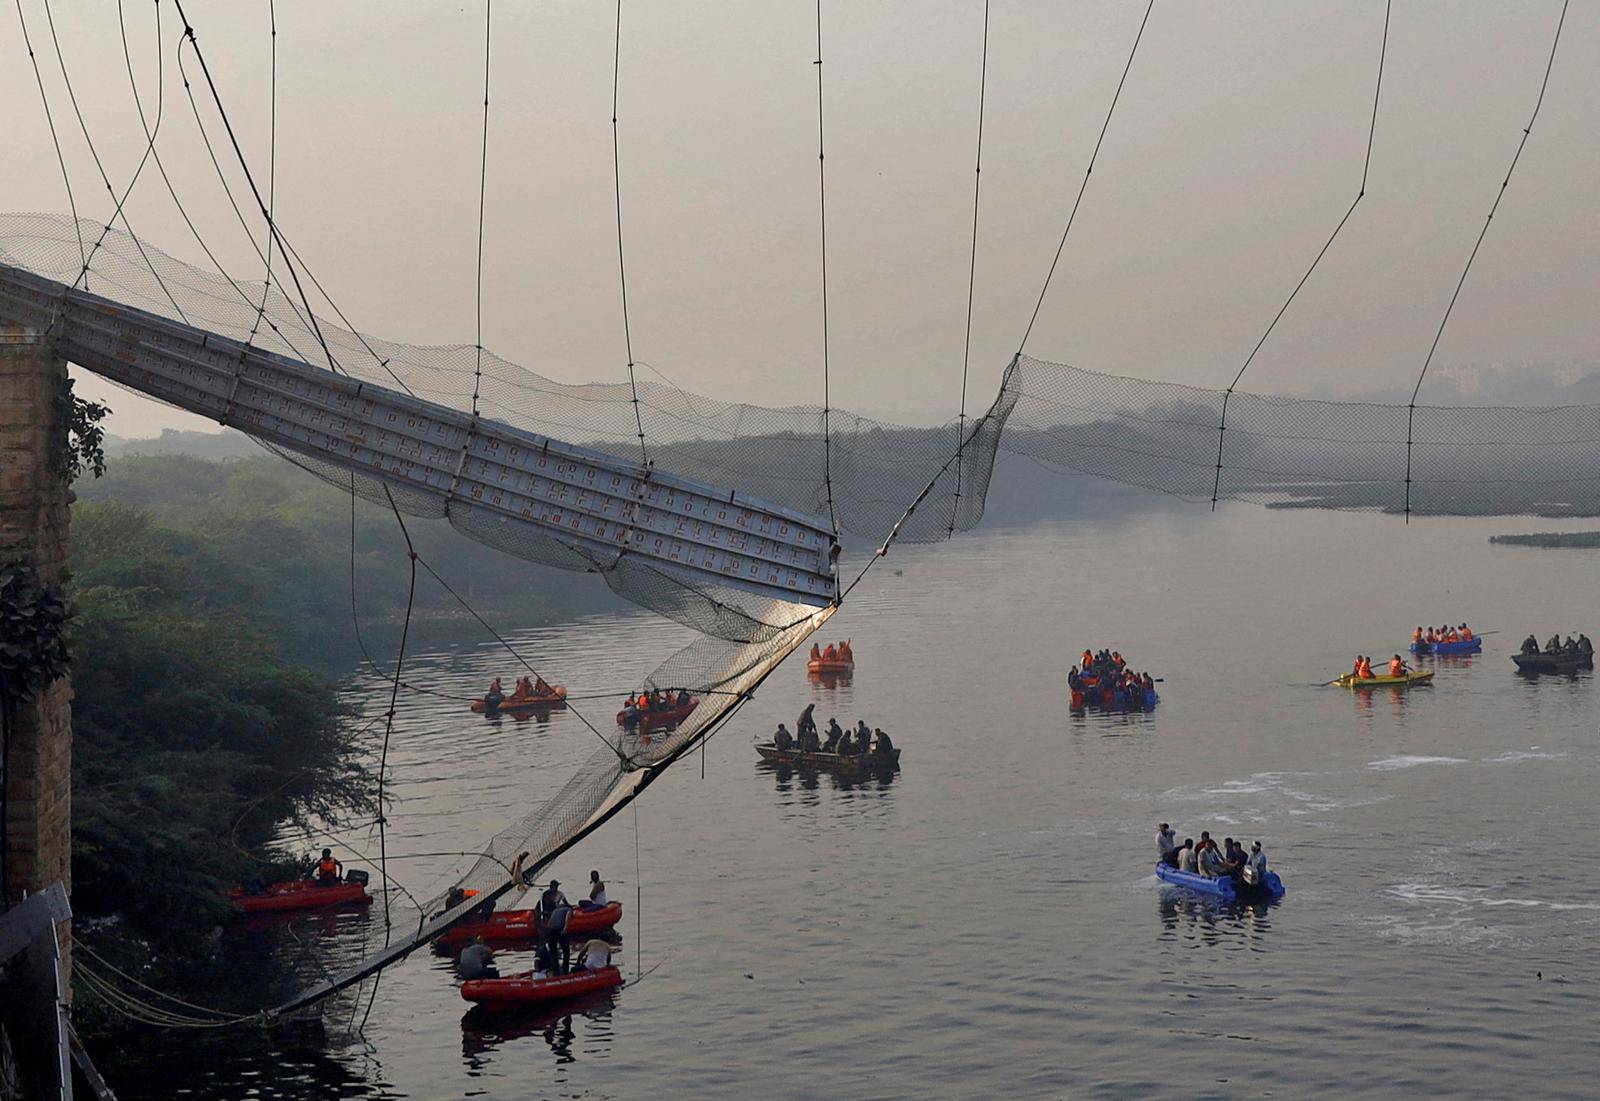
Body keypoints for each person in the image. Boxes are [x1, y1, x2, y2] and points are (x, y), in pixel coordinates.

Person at [537, 879, 573, 973]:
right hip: (557, 928)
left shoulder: (558, 908)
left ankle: (556, 970)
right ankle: (565, 970)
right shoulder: (567, 910)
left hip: (550, 928)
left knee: (553, 951)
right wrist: (565, 928)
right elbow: (568, 917)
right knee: (565, 950)